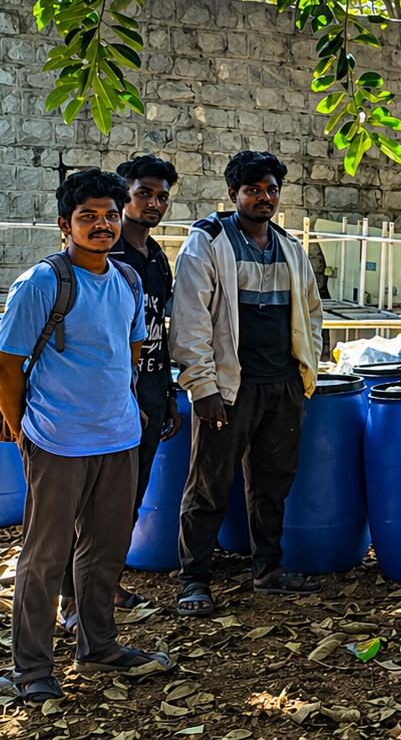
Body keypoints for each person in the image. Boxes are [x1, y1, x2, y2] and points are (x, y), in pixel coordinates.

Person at [0, 170, 174, 705]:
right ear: (64, 224)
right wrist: (21, 427)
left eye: (108, 215)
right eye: (87, 216)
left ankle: (98, 645)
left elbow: (131, 349)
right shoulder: (43, 283)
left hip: (118, 438)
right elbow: (7, 365)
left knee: (105, 550)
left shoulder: (126, 279)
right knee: (44, 556)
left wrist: (128, 409)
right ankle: (31, 669)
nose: (101, 225)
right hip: (57, 441)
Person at [169, 151, 324, 615]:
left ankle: (268, 570)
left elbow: (312, 314)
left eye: (271, 189)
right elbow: (190, 319)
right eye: (253, 189)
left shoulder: (289, 247)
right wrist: (203, 386)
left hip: (281, 386)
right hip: (229, 390)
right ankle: (194, 579)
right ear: (233, 193)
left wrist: (303, 374)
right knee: (209, 485)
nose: (264, 197)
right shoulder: (209, 243)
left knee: (273, 484)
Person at [59, 155, 183, 633]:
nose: (152, 203)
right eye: (143, 193)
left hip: (148, 396)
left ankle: (103, 585)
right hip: (101, 402)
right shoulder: (103, 258)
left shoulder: (156, 260)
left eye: (161, 196)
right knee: (86, 508)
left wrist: (167, 391)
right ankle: (72, 598)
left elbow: (158, 329)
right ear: (122, 197)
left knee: (126, 501)